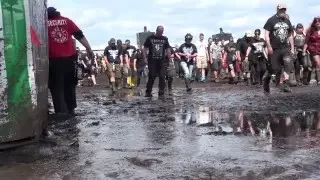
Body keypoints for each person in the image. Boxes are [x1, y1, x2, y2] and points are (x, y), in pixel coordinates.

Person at [47, 7, 93, 116]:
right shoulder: (67, 21)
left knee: (56, 86)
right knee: (70, 85)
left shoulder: (44, 23)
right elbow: (79, 35)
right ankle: (71, 109)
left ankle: (60, 111)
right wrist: (89, 49)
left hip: (52, 60)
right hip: (69, 59)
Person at [263, 4, 295, 93]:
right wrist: (268, 46)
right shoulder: (271, 20)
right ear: (277, 10)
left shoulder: (287, 21)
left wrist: (292, 48)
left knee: (288, 65)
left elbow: (290, 36)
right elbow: (266, 34)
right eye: (281, 10)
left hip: (285, 48)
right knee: (274, 68)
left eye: (284, 10)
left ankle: (285, 84)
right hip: (274, 48)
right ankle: (266, 81)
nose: (283, 11)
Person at [143, 25, 171, 98]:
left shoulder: (165, 39)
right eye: (159, 32)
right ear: (156, 31)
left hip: (162, 61)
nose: (160, 33)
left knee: (162, 76)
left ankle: (161, 92)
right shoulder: (150, 38)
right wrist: (145, 58)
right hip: (152, 61)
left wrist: (170, 60)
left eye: (162, 32)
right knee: (152, 76)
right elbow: (144, 48)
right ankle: (148, 91)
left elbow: (168, 49)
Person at [303, 17, 320, 85]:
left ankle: (312, 78)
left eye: (319, 23)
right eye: (317, 24)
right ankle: (319, 80)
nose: (318, 25)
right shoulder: (311, 31)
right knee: (318, 62)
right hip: (314, 48)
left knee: (314, 65)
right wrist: (304, 50)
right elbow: (306, 42)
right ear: (314, 24)